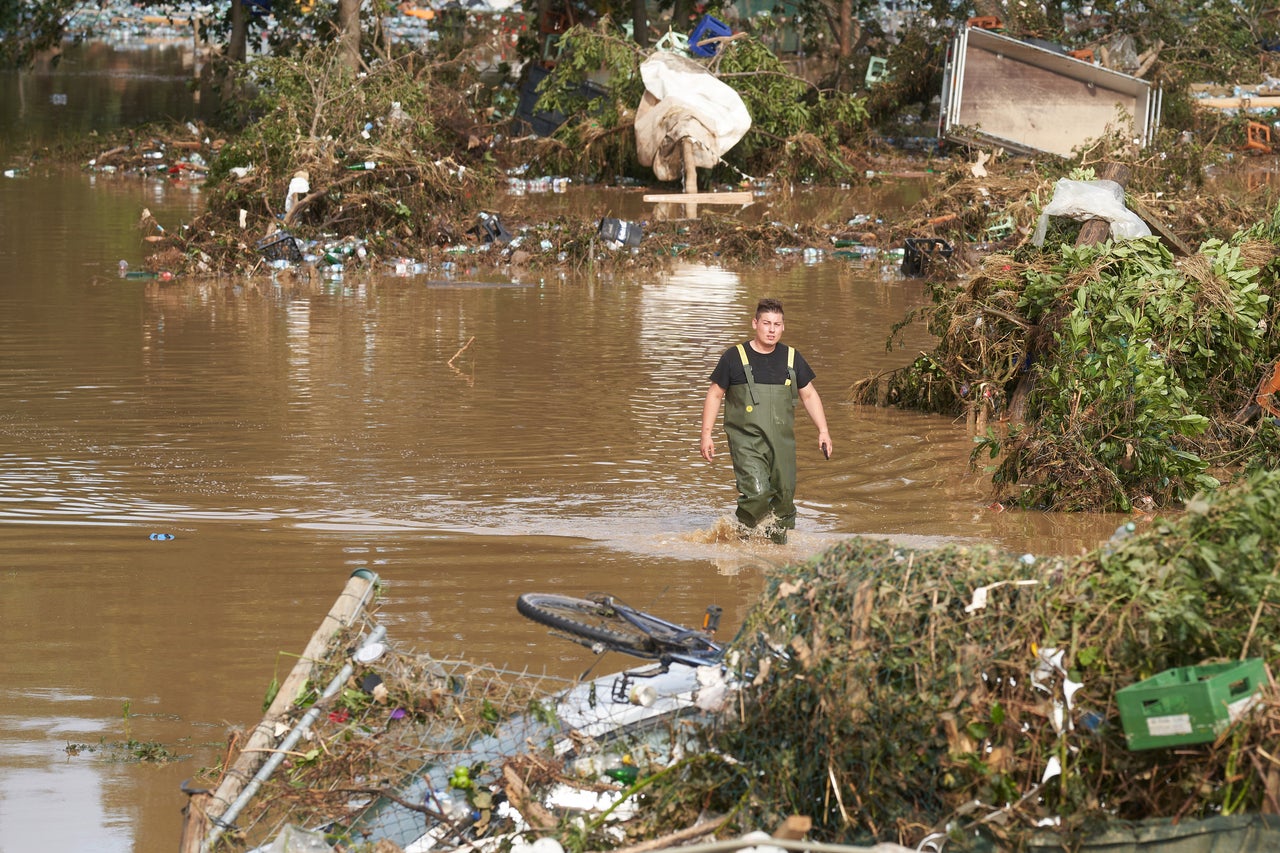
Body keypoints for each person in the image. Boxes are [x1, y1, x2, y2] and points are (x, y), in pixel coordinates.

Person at [700, 298, 831, 544]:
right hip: (746, 442)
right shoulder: (734, 357)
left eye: (777, 324)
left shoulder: (792, 358)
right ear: (755, 323)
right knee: (758, 493)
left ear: (783, 327)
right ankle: (740, 537)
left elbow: (809, 394)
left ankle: (776, 553)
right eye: (766, 323)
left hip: (782, 444)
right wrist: (706, 434)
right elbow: (715, 393)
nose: (771, 330)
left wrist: (823, 430)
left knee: (784, 500)